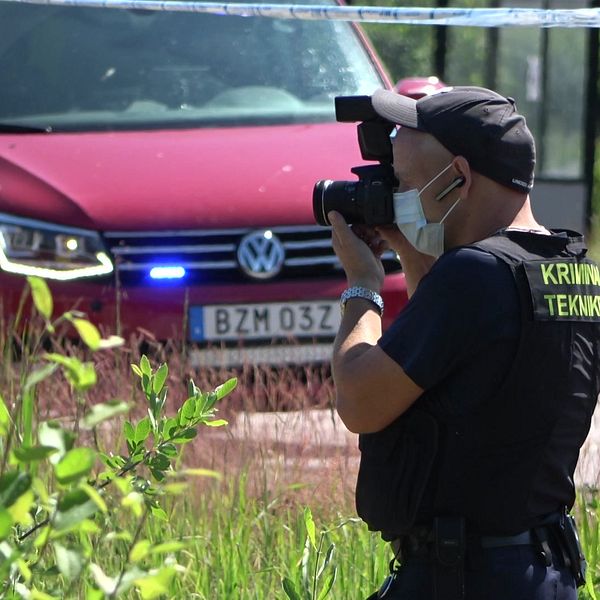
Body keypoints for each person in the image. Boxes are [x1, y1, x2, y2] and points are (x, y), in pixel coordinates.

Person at [328, 86, 600, 600]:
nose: (398, 195)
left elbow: (360, 400)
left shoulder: (474, 275)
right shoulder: (571, 273)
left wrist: (363, 284)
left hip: (462, 576)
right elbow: (457, 363)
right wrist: (410, 251)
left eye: (405, 183)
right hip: (540, 570)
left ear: (457, 177)